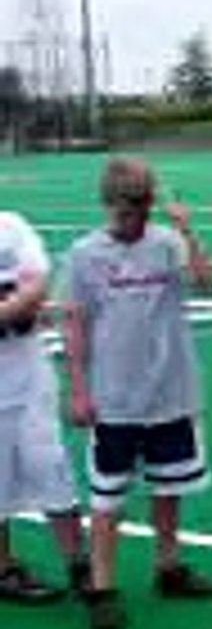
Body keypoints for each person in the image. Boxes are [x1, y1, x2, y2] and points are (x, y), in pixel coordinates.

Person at [65, 158, 212, 629]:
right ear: (109, 203)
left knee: (169, 485)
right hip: (116, 398)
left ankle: (168, 566)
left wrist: (188, 231)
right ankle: (102, 586)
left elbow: (208, 282)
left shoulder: (168, 243)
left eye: (143, 205)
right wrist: (79, 390)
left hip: (172, 391)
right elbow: (76, 323)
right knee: (108, 496)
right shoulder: (85, 254)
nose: (134, 215)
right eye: (127, 206)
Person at [0, 210, 86, 603]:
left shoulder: (11, 226)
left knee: (50, 464)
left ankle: (80, 566)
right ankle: (4, 568)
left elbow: (37, 284)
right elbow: (28, 296)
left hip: (29, 374)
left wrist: (11, 309)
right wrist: (17, 306)